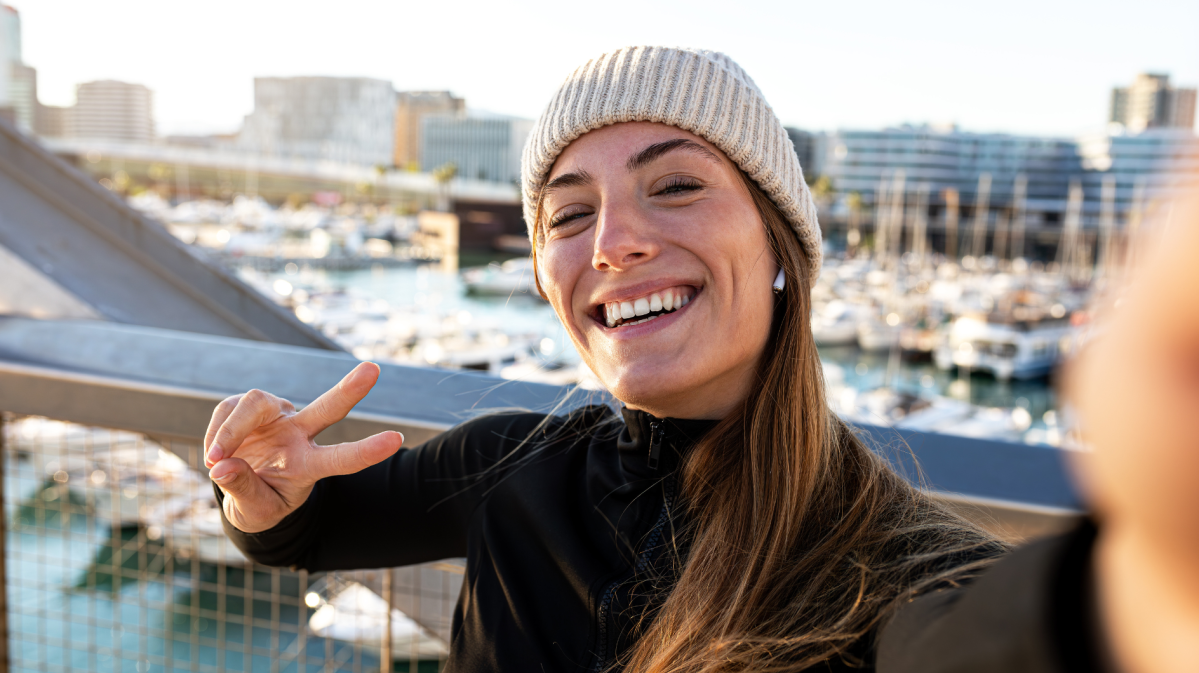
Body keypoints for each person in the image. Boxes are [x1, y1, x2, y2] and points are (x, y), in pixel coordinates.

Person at [204, 46, 1008, 672]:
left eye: (676, 185)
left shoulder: (895, 566)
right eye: (571, 212)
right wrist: (262, 494)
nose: (613, 242)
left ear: (778, 245)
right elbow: (297, 534)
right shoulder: (509, 466)